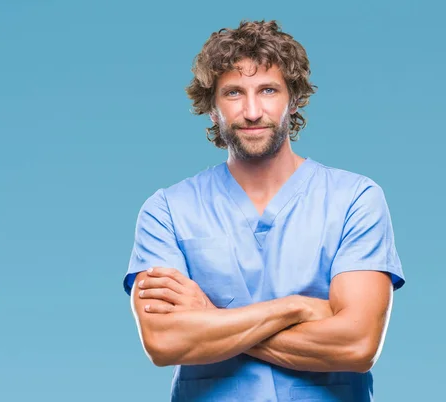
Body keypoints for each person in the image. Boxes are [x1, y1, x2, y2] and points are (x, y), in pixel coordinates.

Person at [122, 20, 405, 402]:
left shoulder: (355, 199)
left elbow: (357, 344)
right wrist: (299, 308)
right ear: (212, 107)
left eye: (268, 90)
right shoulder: (168, 210)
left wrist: (212, 317)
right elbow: (163, 341)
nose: (252, 111)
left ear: (293, 99)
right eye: (234, 93)